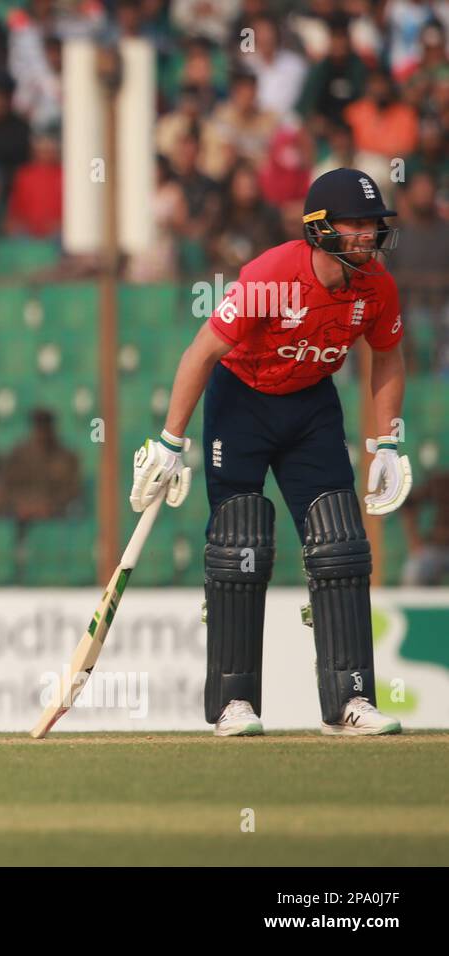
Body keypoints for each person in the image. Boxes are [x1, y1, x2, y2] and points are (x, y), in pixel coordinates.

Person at [131, 168, 410, 738]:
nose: (368, 235)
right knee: (241, 543)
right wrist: (168, 443)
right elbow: (203, 350)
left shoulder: (377, 286)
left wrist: (387, 442)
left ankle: (350, 700)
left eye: (372, 225)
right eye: (356, 224)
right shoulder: (270, 277)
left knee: (340, 545)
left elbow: (388, 355)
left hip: (311, 405)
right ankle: (234, 702)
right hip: (242, 403)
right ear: (320, 229)